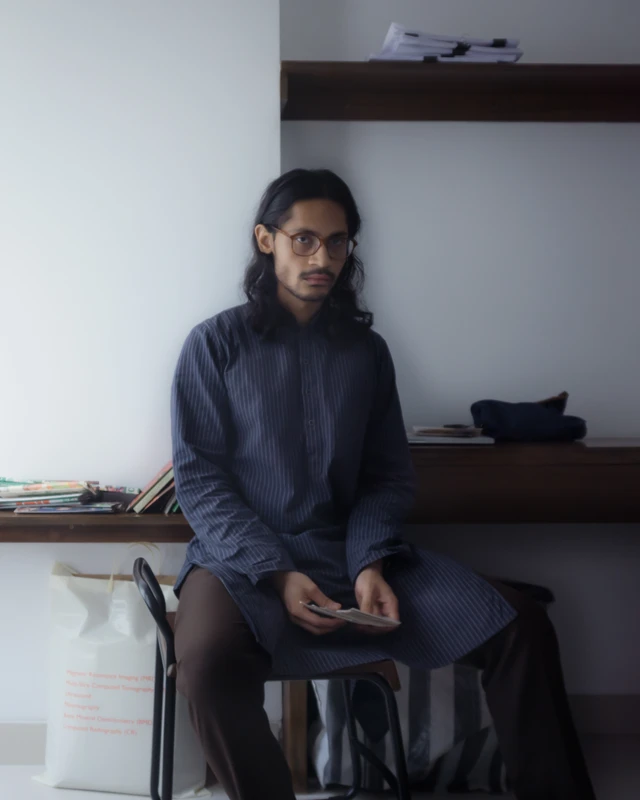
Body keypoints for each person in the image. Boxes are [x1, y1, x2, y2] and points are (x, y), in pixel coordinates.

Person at [170, 168, 597, 800]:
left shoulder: (366, 353)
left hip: (351, 555)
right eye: (304, 239)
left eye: (338, 242)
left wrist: (370, 563)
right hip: (240, 565)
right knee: (206, 665)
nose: (323, 258)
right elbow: (200, 480)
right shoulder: (213, 345)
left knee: (521, 625)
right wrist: (277, 573)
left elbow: (387, 476)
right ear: (266, 240)